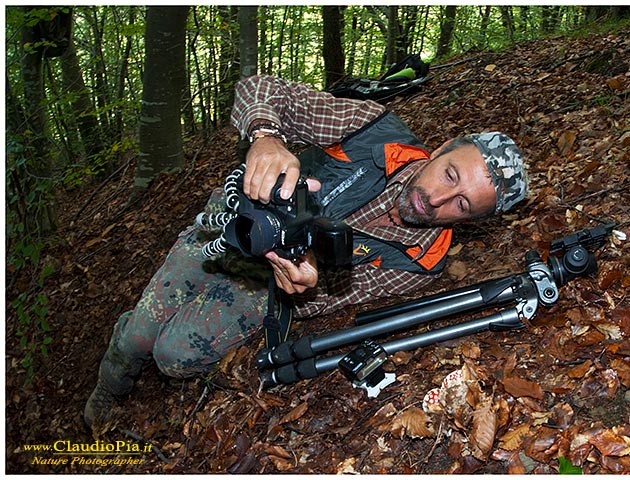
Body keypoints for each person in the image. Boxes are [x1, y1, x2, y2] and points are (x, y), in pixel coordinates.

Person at [84, 74, 528, 428]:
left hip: (265, 284)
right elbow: (259, 89)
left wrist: (308, 285)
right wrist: (266, 137)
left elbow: (343, 294)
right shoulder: (372, 131)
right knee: (138, 335)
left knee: (172, 356)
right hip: (234, 223)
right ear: (440, 150)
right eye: (450, 176)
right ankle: (109, 388)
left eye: (462, 204)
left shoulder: (420, 261)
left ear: (470, 221)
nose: (436, 200)